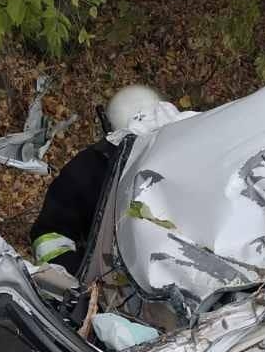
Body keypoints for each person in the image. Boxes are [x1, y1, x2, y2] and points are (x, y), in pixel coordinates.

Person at [28, 83, 164, 274]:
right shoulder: (85, 172)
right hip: (113, 285)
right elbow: (50, 236)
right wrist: (81, 275)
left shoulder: (186, 162)